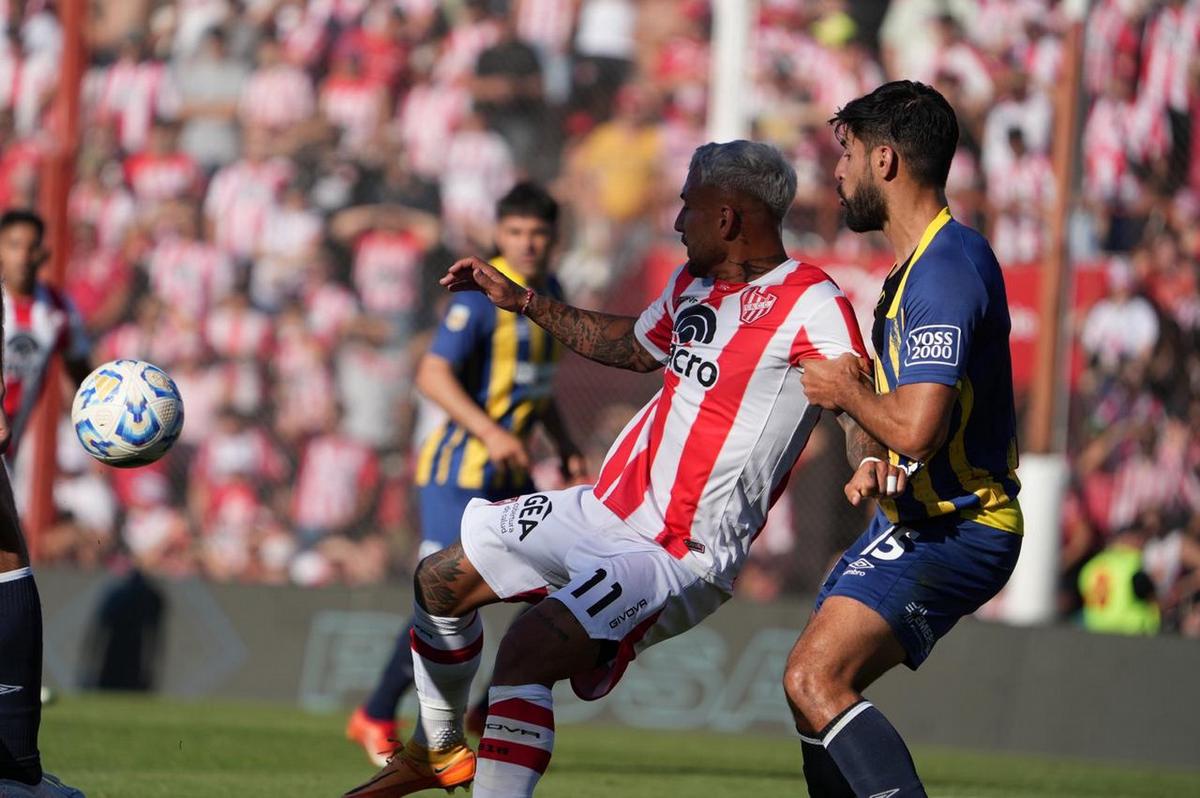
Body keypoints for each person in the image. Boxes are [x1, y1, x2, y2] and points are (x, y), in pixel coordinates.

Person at [343, 140, 867, 798]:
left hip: (677, 550)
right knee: (440, 580)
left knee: (528, 651)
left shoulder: (812, 302)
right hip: (602, 509)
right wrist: (526, 301)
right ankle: (438, 748)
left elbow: (854, 400)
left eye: (689, 209)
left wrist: (870, 463)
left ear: (729, 217)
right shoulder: (695, 286)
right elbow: (630, 346)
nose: (678, 224)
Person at [786, 80, 1023, 798]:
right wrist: (869, 450)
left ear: (885, 160)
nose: (839, 171)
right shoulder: (914, 272)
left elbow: (917, 429)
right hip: (916, 517)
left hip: (962, 524)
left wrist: (848, 392)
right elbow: (903, 432)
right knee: (807, 689)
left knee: (814, 677)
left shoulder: (946, 271)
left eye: (848, 151)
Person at [345, 183, 585, 767]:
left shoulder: (548, 294)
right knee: (448, 599)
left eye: (538, 234)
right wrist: (491, 432)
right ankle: (377, 714)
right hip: (459, 472)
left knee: (562, 581)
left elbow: (536, 387)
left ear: (554, 240)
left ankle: (483, 708)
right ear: (498, 235)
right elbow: (431, 375)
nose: (527, 243)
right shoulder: (479, 298)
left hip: (512, 472)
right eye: (516, 233)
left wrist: (566, 445)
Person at [0, 209, 88, 796]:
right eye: (13, 244)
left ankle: (16, 766)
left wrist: (110, 415)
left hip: (7, 451)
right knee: (10, 559)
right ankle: (17, 772)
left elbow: (83, 372)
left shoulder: (56, 310)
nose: (25, 256)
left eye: (34, 246)